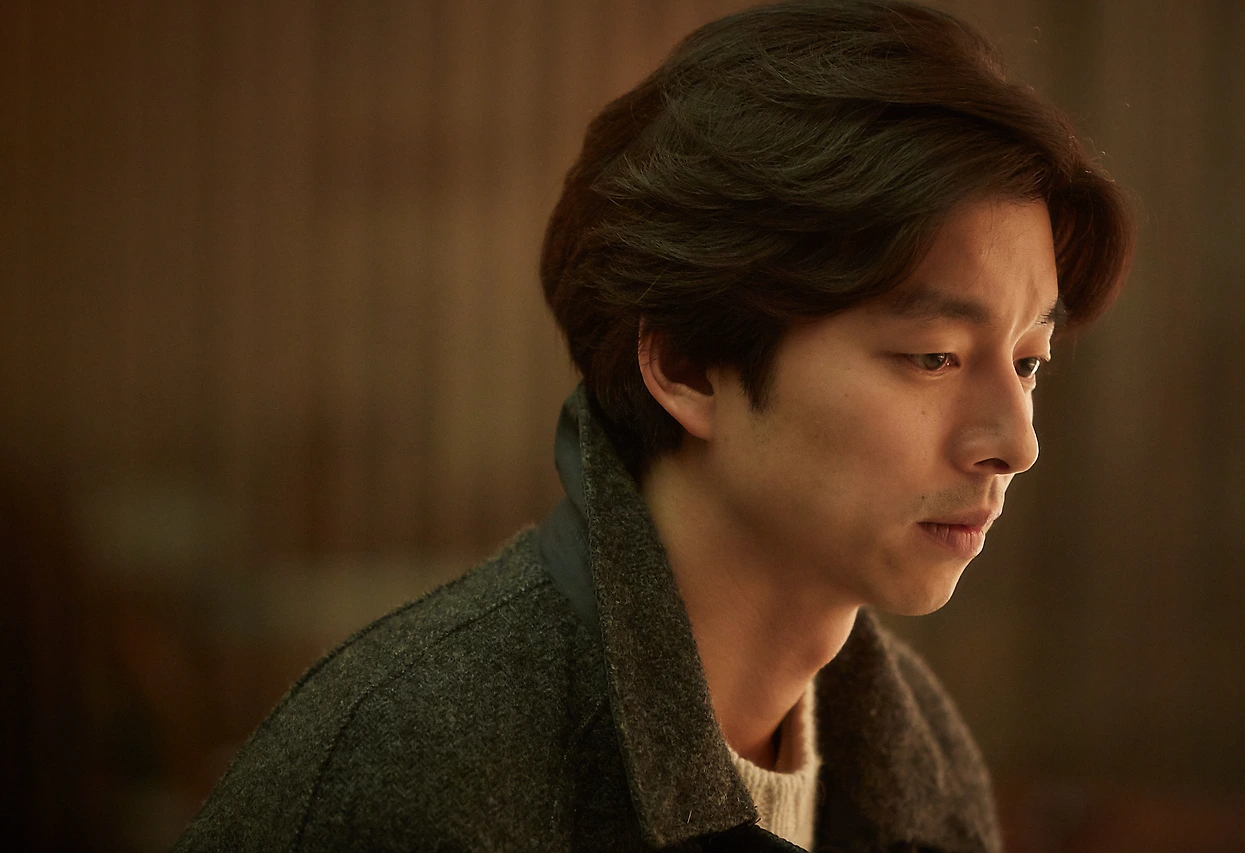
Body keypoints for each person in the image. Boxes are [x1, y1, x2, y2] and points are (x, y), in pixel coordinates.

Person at [175, 1, 1133, 850]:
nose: (1015, 442)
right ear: (684, 365)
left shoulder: (918, 759)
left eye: (1028, 362)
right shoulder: (423, 766)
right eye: (933, 356)